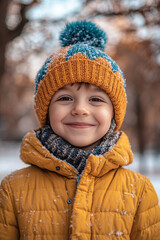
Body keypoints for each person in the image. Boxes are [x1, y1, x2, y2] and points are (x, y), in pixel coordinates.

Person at [0, 20, 160, 240]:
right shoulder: (12, 190)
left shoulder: (139, 191)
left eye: (96, 99)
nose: (80, 109)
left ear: (114, 113)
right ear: (46, 111)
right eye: (65, 98)